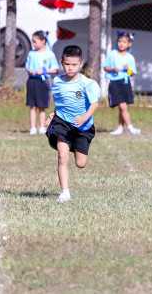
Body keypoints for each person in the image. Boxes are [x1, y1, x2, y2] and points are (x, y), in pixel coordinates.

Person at [44, 45, 100, 203]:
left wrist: (84, 117)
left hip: (83, 126)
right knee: (62, 157)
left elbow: (95, 104)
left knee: (80, 164)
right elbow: (61, 103)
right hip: (62, 123)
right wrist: (54, 114)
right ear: (62, 63)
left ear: (81, 64)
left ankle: (74, 145)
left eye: (74, 65)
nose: (70, 68)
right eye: (67, 64)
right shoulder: (57, 82)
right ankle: (65, 192)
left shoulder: (88, 84)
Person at [104, 31, 141, 135]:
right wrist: (112, 69)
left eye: (124, 42)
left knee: (123, 106)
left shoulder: (130, 58)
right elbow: (105, 67)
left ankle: (120, 127)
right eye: (120, 41)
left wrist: (128, 69)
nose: (121, 44)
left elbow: (132, 73)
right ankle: (130, 128)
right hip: (115, 82)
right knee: (122, 106)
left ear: (129, 44)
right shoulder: (112, 54)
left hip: (125, 83)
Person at [25, 31, 59, 135]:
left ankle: (41, 127)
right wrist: (30, 71)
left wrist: (44, 71)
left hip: (42, 81)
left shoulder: (49, 54)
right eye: (32, 42)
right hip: (32, 81)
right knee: (32, 105)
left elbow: (55, 69)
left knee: (41, 106)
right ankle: (32, 127)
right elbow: (27, 66)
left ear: (43, 41)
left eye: (35, 41)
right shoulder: (31, 53)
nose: (33, 44)